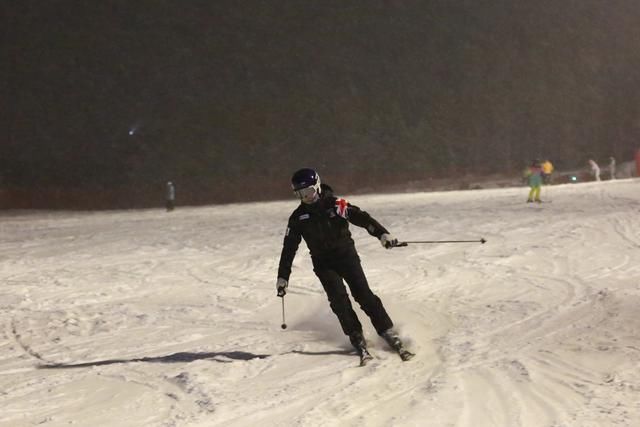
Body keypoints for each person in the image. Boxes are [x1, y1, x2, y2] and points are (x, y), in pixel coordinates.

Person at [276, 168, 414, 365]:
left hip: (346, 256)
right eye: (300, 194)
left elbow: (362, 218)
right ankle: (356, 335)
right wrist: (283, 277)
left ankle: (387, 330)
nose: (305, 197)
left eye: (308, 192)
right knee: (338, 301)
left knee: (364, 295)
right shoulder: (298, 217)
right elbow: (289, 248)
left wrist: (382, 234)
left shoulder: (336, 204)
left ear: (317, 187)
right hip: (323, 263)